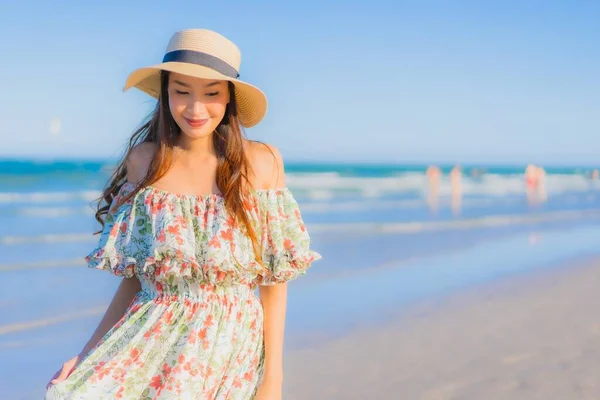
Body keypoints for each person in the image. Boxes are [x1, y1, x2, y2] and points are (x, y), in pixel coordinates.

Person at [45, 28, 321, 399]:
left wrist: (273, 380)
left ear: (229, 98)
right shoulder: (145, 163)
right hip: (148, 338)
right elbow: (136, 279)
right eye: (181, 91)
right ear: (165, 92)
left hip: (226, 348)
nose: (194, 109)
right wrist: (87, 354)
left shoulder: (261, 163)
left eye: (211, 94)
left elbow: (273, 283)